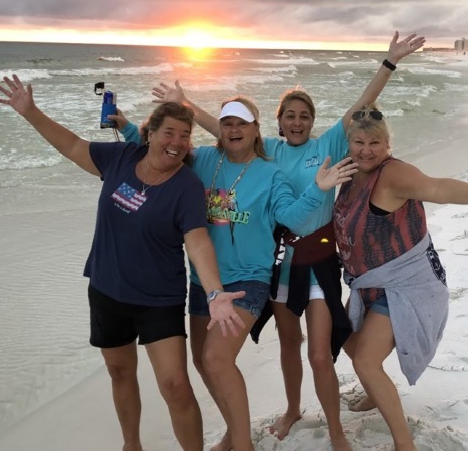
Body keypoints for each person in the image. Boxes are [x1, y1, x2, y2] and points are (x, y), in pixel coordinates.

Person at [152, 31, 425, 450]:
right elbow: (224, 130)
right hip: (280, 262)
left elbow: (361, 108)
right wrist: (185, 103)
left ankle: (335, 430)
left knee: (318, 353)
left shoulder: (328, 146)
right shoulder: (269, 152)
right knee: (288, 343)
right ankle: (293, 409)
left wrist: (388, 63)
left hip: (318, 260)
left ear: (312, 121)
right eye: (290, 116)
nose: (297, 122)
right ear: (277, 123)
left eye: (303, 116)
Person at [0, 74, 246, 451]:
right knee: (119, 371)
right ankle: (132, 445)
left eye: (184, 136)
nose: (177, 142)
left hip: (158, 299)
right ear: (150, 133)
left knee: (175, 386)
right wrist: (31, 112)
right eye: (169, 133)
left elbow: (197, 242)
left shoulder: (186, 187)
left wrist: (215, 292)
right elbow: (72, 145)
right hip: (107, 289)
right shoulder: (119, 158)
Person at [123, 95, 357, 451]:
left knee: (218, 360)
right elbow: (160, 152)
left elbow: (292, 218)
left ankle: (243, 444)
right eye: (228, 123)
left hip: (250, 278)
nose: (234, 129)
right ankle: (234, 432)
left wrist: (318, 188)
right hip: (204, 279)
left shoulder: (269, 172)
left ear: (255, 130)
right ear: (220, 129)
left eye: (242, 123)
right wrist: (124, 125)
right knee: (203, 362)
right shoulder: (202, 159)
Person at [333, 104, 468, 451]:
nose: (366, 150)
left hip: (405, 284)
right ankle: (377, 392)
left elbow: (437, 189)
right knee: (348, 340)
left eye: (375, 143)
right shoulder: (349, 174)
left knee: (365, 361)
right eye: (358, 142)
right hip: (368, 282)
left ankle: (405, 444)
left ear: (388, 145)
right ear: (349, 144)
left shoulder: (393, 175)